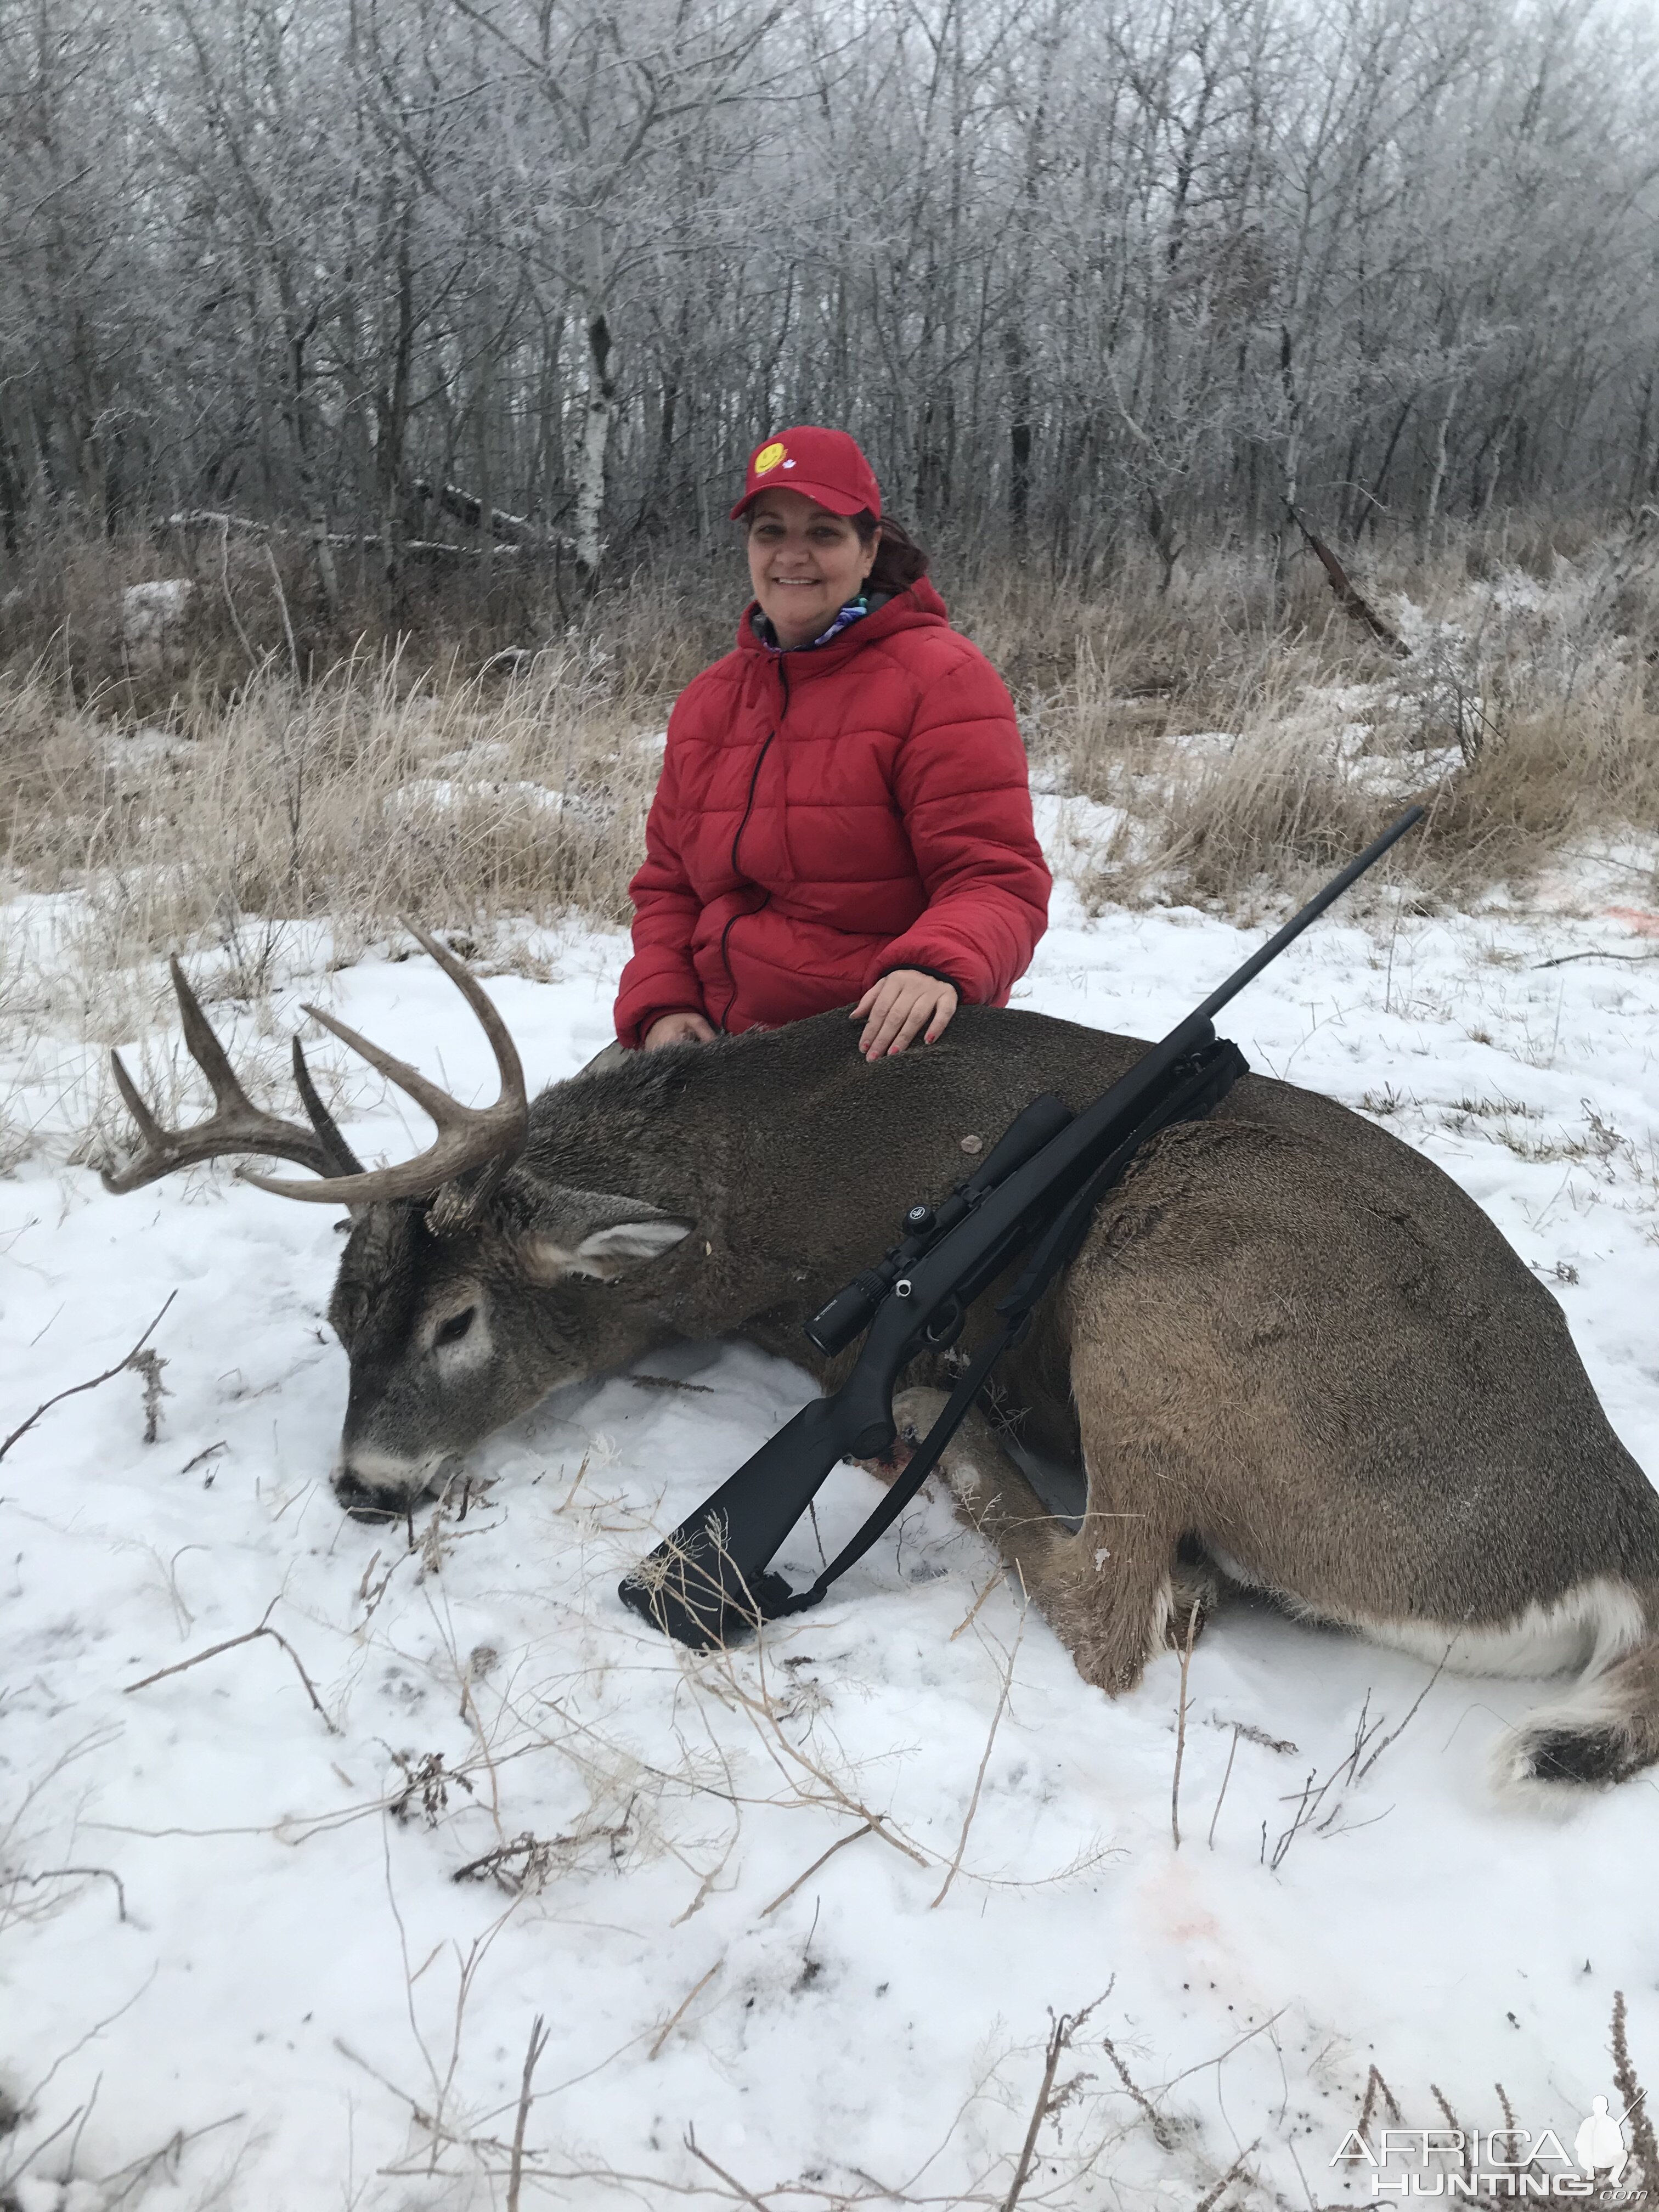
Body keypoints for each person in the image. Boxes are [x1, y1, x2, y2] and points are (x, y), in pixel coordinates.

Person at [612, 426, 1051, 1063]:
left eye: (823, 532)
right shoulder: (709, 701)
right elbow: (669, 889)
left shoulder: (940, 680)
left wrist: (935, 968)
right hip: (718, 1043)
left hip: (868, 1042)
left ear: (870, 549)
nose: (792, 556)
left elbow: (996, 879)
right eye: (771, 531)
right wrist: (665, 1003)